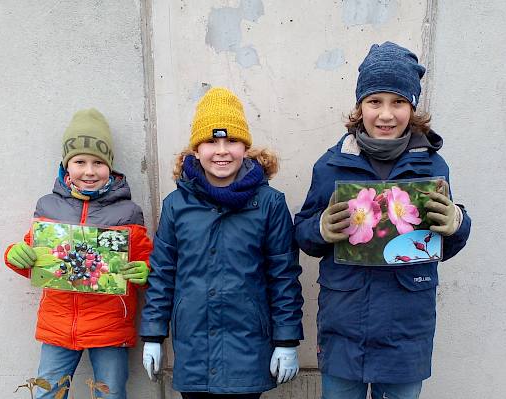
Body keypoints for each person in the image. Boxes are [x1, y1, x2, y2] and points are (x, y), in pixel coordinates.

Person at [293, 42, 472, 399]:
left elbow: (442, 241)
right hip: (345, 325)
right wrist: (320, 229)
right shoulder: (330, 165)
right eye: (375, 102)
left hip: (405, 328)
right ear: (360, 107)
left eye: (398, 102)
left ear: (412, 107)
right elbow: (304, 232)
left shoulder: (432, 166)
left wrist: (458, 223)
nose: (386, 115)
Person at [140, 87, 304, 398]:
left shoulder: (269, 203)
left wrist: (286, 341)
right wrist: (152, 333)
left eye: (231, 140)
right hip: (194, 351)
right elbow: (162, 274)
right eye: (211, 141)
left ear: (246, 146)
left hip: (248, 348)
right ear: (196, 149)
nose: (221, 150)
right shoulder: (176, 205)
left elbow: (283, 275)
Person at [4, 108, 152, 399]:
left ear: (110, 166)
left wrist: (145, 272)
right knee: (48, 394)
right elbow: (35, 260)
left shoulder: (128, 212)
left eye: (98, 162)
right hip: (58, 324)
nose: (89, 171)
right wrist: (15, 255)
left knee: (111, 395)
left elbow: (146, 262)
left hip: (110, 326)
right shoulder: (48, 205)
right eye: (80, 161)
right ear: (66, 165)